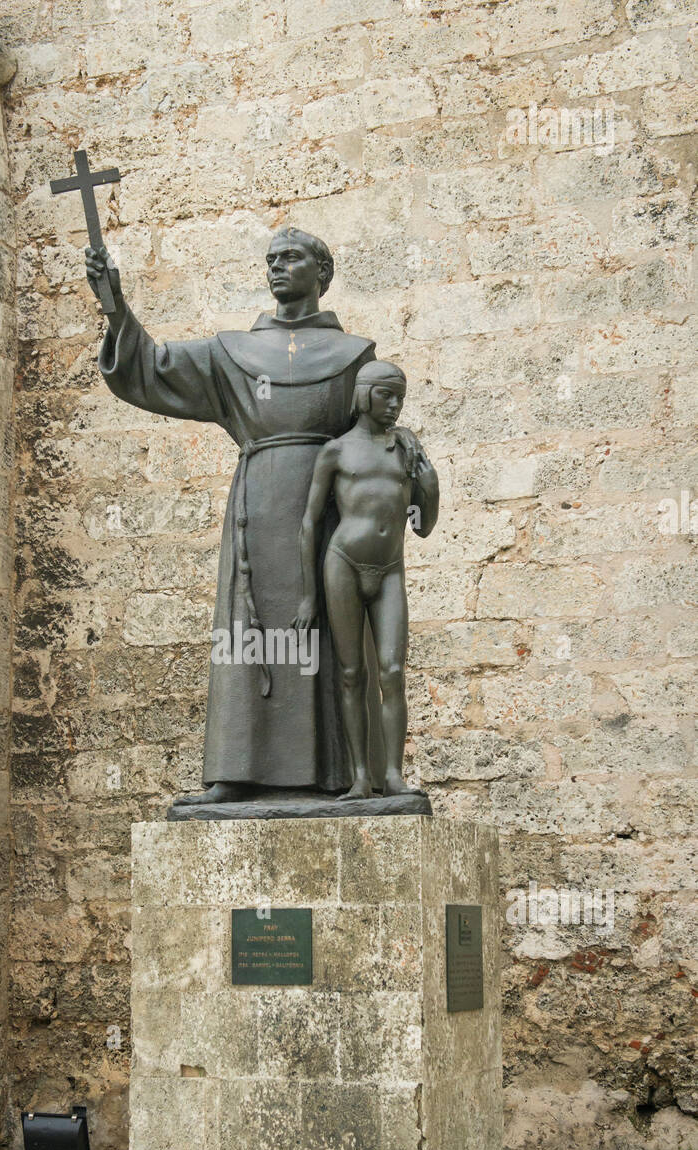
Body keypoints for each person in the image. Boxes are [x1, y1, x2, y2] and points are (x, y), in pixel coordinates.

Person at [85, 227, 385, 802]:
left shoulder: (356, 357)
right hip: (257, 508)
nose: (276, 266)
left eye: (291, 258)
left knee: (327, 636)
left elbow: (377, 437)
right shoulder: (232, 356)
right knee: (248, 637)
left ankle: (342, 775)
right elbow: (154, 366)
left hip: (327, 516)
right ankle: (236, 771)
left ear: (322, 273)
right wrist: (114, 304)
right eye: (270, 258)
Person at [294, 361, 439, 799]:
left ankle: (392, 775)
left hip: (390, 567)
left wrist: (428, 480)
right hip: (343, 562)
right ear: (363, 396)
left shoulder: (405, 449)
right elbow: (309, 522)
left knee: (393, 671)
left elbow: (424, 526)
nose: (394, 405)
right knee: (352, 672)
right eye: (385, 395)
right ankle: (360, 776)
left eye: (400, 397)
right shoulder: (336, 452)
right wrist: (307, 596)